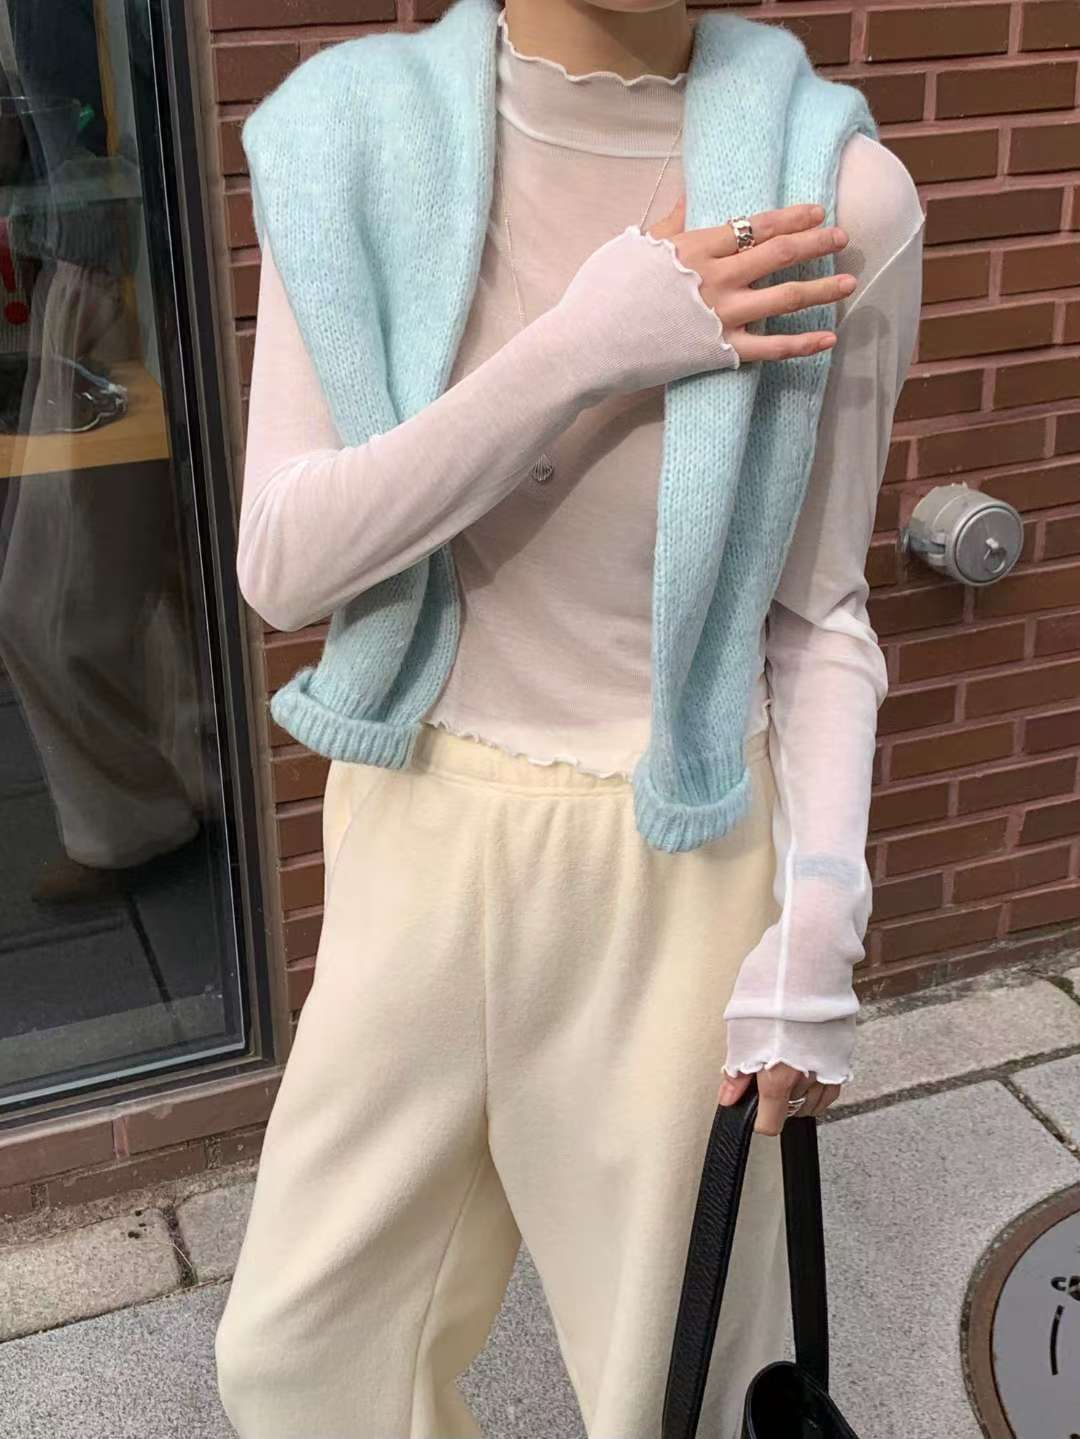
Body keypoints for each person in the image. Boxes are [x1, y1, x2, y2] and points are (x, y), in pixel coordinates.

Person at [215, 0, 924, 1434]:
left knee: (676, 1380)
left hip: (679, 865)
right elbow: (286, 565)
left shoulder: (837, 189)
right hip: (417, 831)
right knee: (300, 1363)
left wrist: (820, 918)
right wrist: (582, 347)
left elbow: (815, 612)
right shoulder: (346, 134)